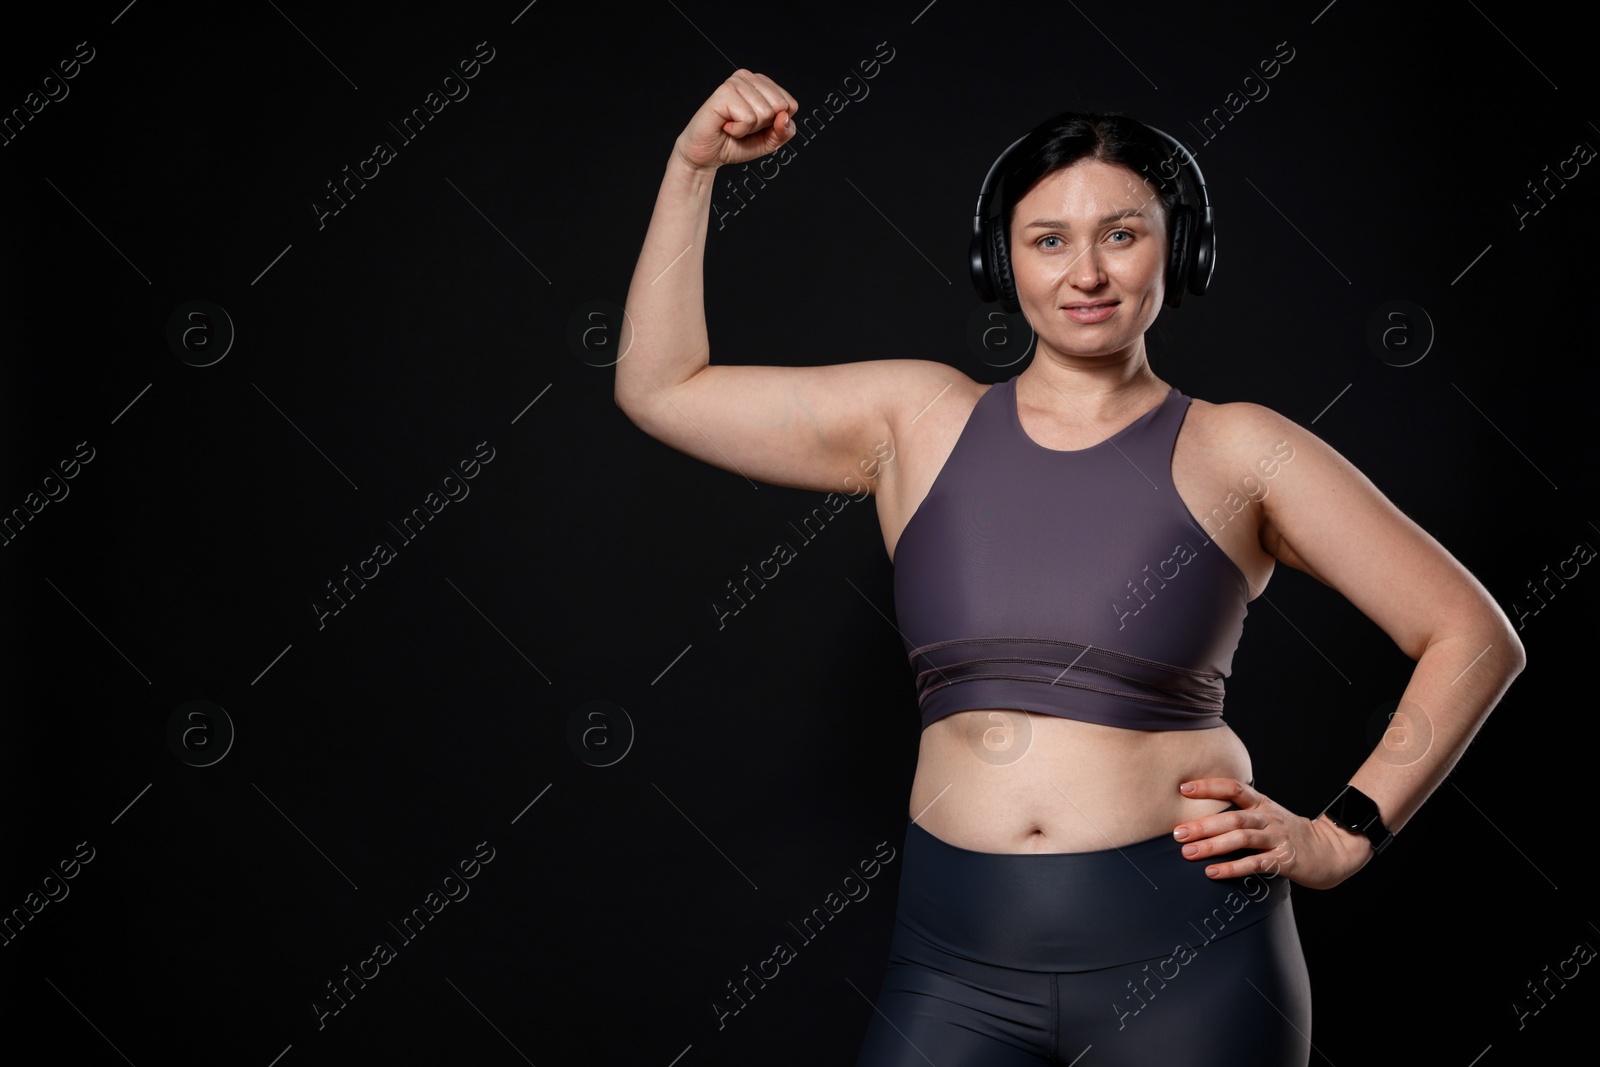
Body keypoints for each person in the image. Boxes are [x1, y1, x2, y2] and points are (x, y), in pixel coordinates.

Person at [615, 70, 1525, 1066]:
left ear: (1178, 247)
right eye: (1048, 239)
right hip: (954, 962)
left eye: (1120, 233)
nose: (1085, 272)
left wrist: (1343, 832)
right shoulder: (912, 421)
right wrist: (692, 168)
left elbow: (1470, 634)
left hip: (1190, 960)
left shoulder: (1240, 451)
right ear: (999, 259)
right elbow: (662, 388)